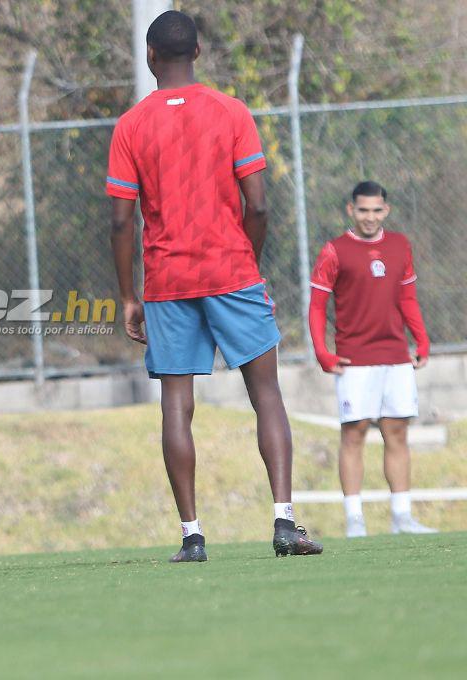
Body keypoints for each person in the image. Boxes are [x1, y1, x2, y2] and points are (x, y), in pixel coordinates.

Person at [106, 10, 322, 561]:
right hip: (232, 272)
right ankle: (284, 522)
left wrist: (129, 296)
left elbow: (120, 221)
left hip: (167, 280)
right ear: (198, 52)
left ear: (150, 56)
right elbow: (259, 205)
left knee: (176, 406)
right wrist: (248, 262)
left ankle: (192, 535)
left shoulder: (131, 125)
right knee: (266, 394)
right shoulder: (232, 112)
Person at [309, 181, 436, 537]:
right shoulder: (334, 250)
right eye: (363, 210)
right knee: (354, 434)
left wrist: (422, 340)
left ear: (386, 210)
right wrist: (322, 351)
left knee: (397, 433)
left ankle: (402, 517)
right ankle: (355, 521)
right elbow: (317, 306)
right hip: (354, 361)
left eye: (376, 210)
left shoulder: (400, 245)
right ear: (351, 210)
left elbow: (407, 298)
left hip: (396, 357)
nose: (370, 217)